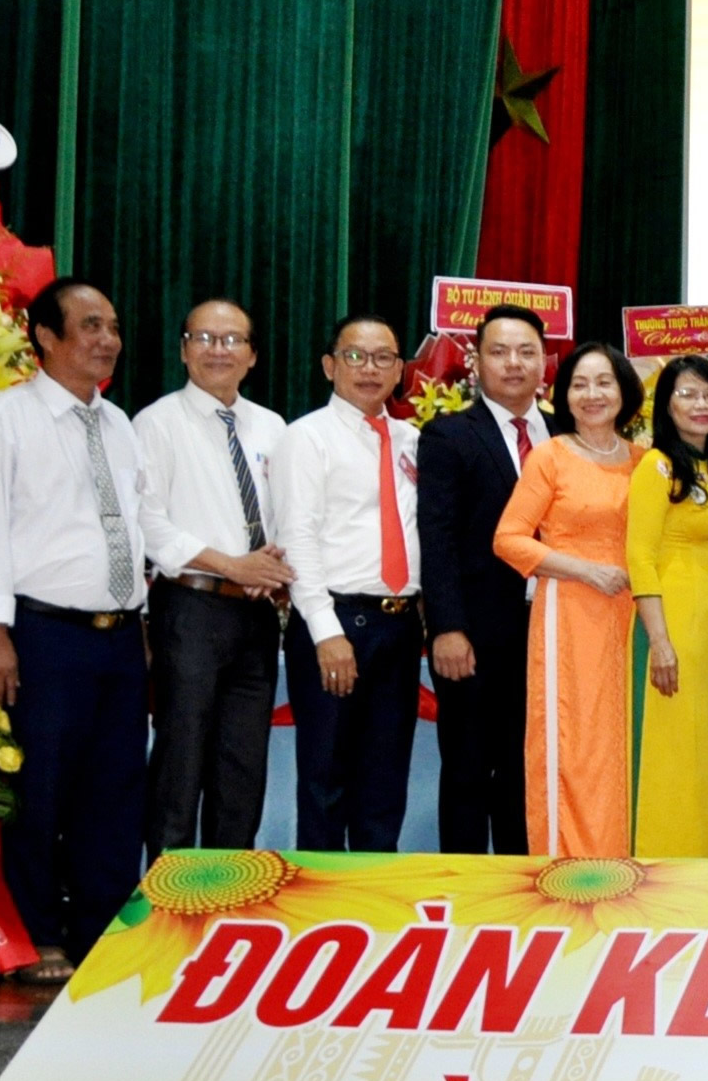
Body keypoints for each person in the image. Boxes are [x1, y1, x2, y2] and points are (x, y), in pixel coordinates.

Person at [0, 280, 149, 980]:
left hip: (120, 636)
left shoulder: (117, 422)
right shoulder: (3, 419)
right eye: (89, 325)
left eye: (111, 325)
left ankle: (101, 930)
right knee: (41, 790)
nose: (107, 339)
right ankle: (38, 934)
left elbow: (136, 527)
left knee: (113, 791)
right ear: (45, 337)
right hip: (43, 636)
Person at [134, 298, 290, 853]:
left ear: (251, 355)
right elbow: (148, 523)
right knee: (182, 759)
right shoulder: (155, 423)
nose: (217, 351)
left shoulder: (271, 427)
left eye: (231, 341)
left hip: (256, 614)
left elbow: (289, 514)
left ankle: (229, 897)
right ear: (183, 350)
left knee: (242, 767)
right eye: (203, 338)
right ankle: (166, 904)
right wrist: (232, 564)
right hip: (190, 610)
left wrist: (271, 563)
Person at [272, 313, 424, 855]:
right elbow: (299, 538)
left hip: (401, 626)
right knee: (325, 780)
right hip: (338, 623)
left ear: (401, 369)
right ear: (329, 365)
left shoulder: (412, 440)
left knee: (385, 782)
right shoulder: (306, 438)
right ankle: (319, 908)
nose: (370, 368)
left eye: (384, 357)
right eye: (356, 356)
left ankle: (372, 903)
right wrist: (324, 631)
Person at [493, 342, 642, 857]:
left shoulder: (645, 462)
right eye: (580, 384)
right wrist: (585, 570)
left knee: (621, 741)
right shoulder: (551, 456)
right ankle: (569, 862)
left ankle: (625, 857)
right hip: (569, 612)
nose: (592, 394)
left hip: (633, 619)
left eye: (604, 382)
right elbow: (509, 539)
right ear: (564, 396)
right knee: (574, 741)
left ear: (624, 391)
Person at [415, 303, 549, 856]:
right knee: (470, 772)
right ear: (475, 362)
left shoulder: (564, 435)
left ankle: (524, 891)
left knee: (529, 772)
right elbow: (438, 537)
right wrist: (447, 627)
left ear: (547, 361)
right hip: (473, 636)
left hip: (548, 636)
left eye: (526, 352)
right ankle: (465, 901)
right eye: (499, 351)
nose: (513, 364)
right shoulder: (449, 436)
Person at [629, 355, 708, 858]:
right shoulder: (656, 467)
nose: (701, 404)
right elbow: (640, 555)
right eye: (687, 394)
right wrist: (660, 641)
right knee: (678, 751)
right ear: (665, 406)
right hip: (676, 625)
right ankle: (670, 862)